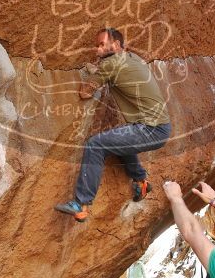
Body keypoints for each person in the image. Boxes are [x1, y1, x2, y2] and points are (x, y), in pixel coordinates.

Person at [55, 28, 171, 222]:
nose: (97, 49)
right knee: (120, 139)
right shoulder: (132, 57)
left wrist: (91, 75)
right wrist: (100, 70)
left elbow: (85, 93)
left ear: (116, 45)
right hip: (159, 127)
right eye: (96, 45)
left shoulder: (110, 63)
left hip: (150, 129)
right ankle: (141, 181)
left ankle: (80, 204)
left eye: (101, 44)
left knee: (96, 144)